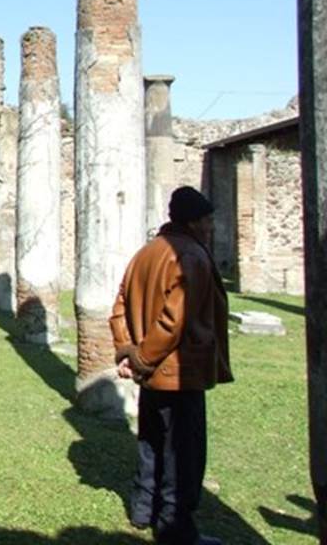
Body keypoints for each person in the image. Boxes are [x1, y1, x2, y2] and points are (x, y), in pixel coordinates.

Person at [109, 186, 233, 545]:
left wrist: (128, 353)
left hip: (152, 374)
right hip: (178, 372)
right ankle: (175, 527)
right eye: (208, 220)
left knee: (151, 441)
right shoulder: (190, 256)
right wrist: (144, 359)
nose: (211, 227)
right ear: (193, 222)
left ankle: (142, 508)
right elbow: (173, 321)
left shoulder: (145, 253)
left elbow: (118, 308)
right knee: (183, 451)